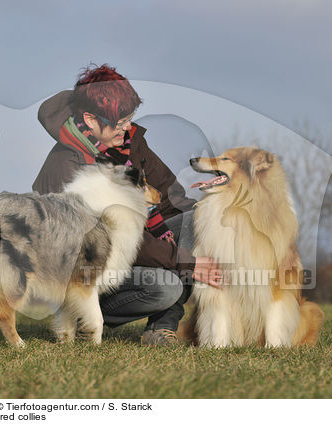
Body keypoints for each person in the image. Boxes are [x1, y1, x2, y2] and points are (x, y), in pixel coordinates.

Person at [33, 64, 221, 345]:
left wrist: (217, 206)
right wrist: (186, 262)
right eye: (119, 123)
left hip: (127, 252)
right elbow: (113, 237)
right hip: (85, 271)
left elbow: (170, 197)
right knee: (165, 287)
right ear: (90, 119)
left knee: (198, 217)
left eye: (129, 120)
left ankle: (161, 329)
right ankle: (83, 317)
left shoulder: (130, 144)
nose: (126, 128)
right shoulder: (67, 166)